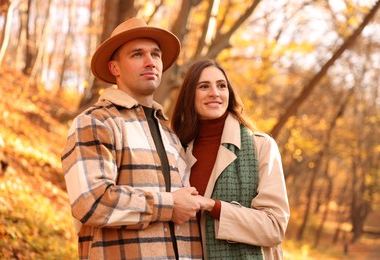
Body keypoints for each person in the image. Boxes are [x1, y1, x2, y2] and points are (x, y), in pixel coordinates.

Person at [61, 17, 203, 259]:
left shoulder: (170, 133)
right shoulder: (96, 122)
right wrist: (168, 206)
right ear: (115, 68)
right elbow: (91, 202)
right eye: (137, 55)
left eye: (155, 54)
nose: (150, 62)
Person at [171, 59, 290, 259]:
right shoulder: (176, 149)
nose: (215, 93)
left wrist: (212, 206)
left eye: (221, 86)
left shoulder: (261, 146)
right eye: (203, 86)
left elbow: (274, 227)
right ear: (189, 95)